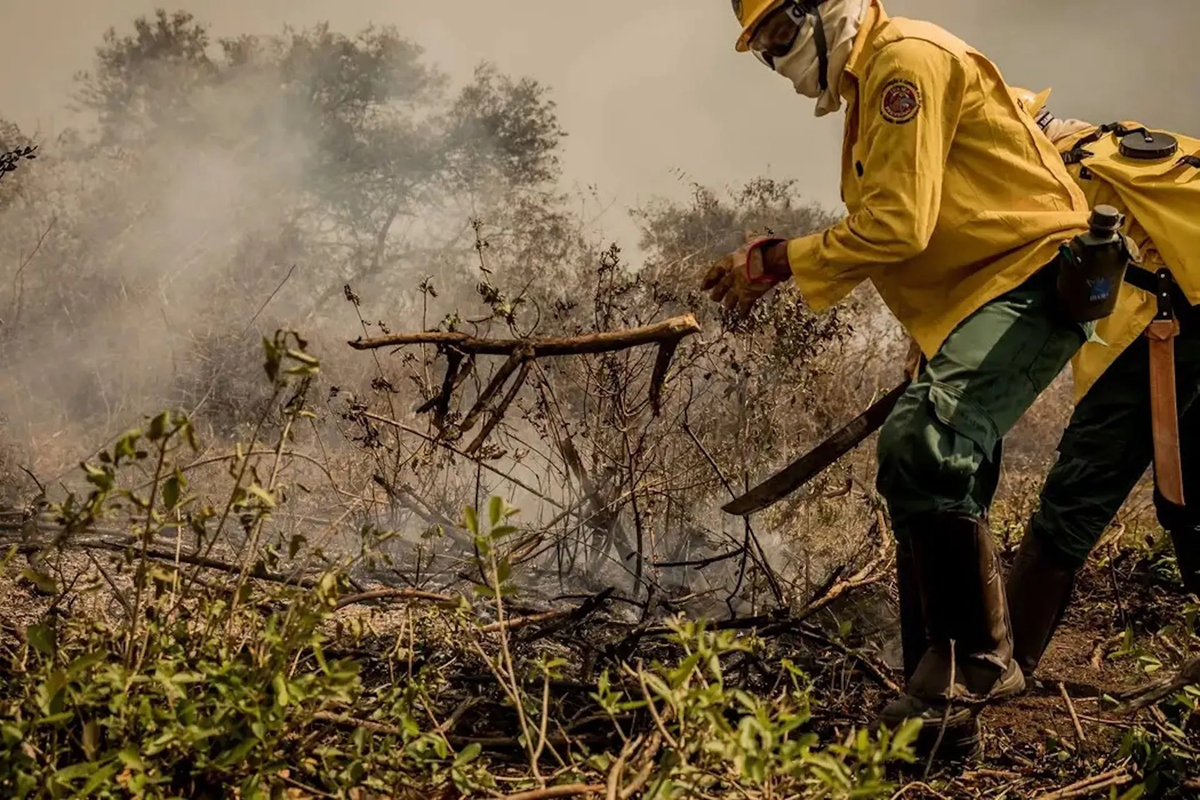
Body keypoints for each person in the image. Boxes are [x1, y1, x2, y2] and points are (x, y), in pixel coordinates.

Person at [703, 0, 1123, 759]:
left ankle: (975, 671)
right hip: (979, 295)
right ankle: (933, 695)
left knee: (922, 446)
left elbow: (899, 226)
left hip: (1028, 278)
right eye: (763, 46)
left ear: (823, 8)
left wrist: (780, 261)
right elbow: (923, 232)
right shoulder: (871, 86)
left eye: (779, 33)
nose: (777, 58)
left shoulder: (904, 64)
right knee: (940, 475)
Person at [998, 88, 1200, 679]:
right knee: (1191, 500)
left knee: (1072, 504)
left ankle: (994, 673)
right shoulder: (1115, 144)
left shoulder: (1049, 175)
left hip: (1159, 335)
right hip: (1185, 326)